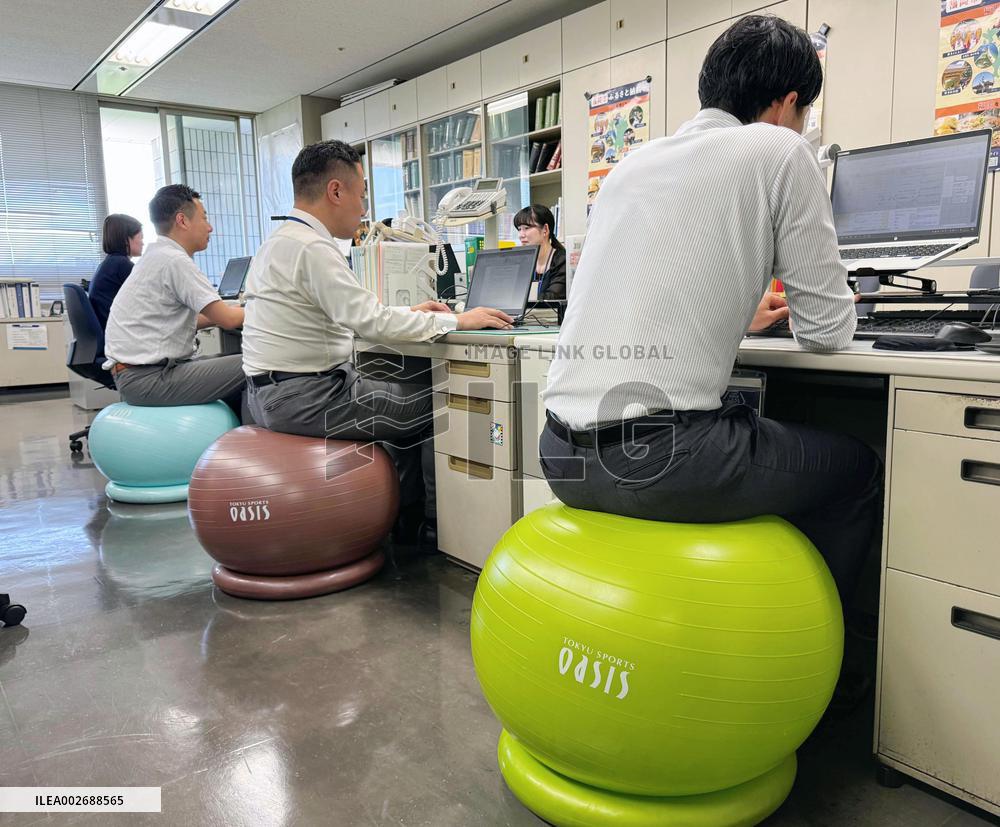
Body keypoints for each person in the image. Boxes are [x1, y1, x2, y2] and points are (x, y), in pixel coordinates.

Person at [539, 14, 881, 615]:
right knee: (857, 469)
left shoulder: (630, 165)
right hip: (661, 460)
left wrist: (738, 315)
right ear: (789, 103)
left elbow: (643, 291)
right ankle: (835, 664)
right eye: (802, 113)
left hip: (561, 454)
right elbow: (827, 331)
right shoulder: (782, 149)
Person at [241, 140, 513, 544]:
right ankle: (434, 526)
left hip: (269, 395)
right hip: (308, 398)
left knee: (403, 393)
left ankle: (405, 513)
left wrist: (412, 312)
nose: (363, 208)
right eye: (362, 194)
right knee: (443, 403)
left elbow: (348, 313)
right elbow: (370, 322)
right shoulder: (313, 247)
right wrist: (459, 319)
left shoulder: (280, 240)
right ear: (336, 191)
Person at [103, 185, 247, 417]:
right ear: (182, 220)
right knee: (254, 363)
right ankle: (252, 437)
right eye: (204, 218)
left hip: (133, 376)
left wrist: (237, 310)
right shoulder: (174, 260)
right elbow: (229, 320)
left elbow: (181, 321)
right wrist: (269, 308)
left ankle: (237, 430)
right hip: (149, 379)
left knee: (227, 360)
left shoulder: (157, 255)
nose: (210, 227)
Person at [89, 214, 143, 330]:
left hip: (109, 328)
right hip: (117, 332)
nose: (142, 243)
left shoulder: (108, 264)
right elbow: (148, 298)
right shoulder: (122, 265)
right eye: (140, 237)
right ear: (126, 239)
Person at [514, 205, 566, 300]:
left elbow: (553, 297)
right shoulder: (523, 262)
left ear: (545, 229)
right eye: (519, 229)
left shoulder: (562, 260)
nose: (521, 235)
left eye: (526, 228)